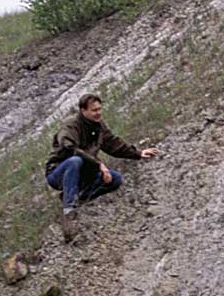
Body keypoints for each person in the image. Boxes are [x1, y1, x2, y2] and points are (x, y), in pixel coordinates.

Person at [45, 92, 157, 240]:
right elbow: (70, 149)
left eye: (99, 109)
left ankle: (80, 195)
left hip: (85, 172)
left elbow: (113, 144)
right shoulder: (71, 125)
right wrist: (99, 164)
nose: (98, 113)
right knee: (75, 161)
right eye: (94, 110)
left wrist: (138, 153)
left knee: (115, 179)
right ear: (83, 110)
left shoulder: (99, 127)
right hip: (58, 172)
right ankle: (69, 210)